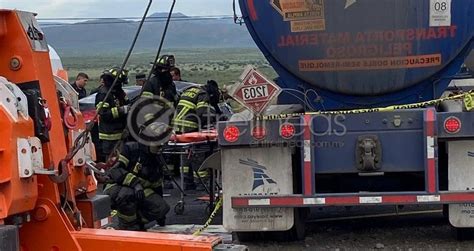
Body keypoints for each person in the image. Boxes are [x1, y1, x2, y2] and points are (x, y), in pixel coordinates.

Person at [103, 140, 170, 230]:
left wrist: (161, 216)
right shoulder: (131, 149)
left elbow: (157, 187)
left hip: (140, 190)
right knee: (127, 193)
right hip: (115, 186)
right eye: (158, 146)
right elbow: (115, 171)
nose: (160, 149)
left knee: (162, 207)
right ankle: (126, 225)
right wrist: (135, 184)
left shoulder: (156, 160)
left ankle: (136, 221)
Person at [172, 80, 222, 190]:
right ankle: (201, 182)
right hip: (190, 127)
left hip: (178, 128)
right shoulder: (203, 94)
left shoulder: (189, 90)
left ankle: (187, 181)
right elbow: (203, 113)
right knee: (198, 153)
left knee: (185, 154)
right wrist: (214, 119)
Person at [94, 67, 130, 162]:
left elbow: (127, 103)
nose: (121, 85)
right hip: (109, 136)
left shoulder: (119, 92)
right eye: (120, 83)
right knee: (111, 162)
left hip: (120, 134)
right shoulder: (104, 93)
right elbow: (103, 113)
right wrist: (122, 110)